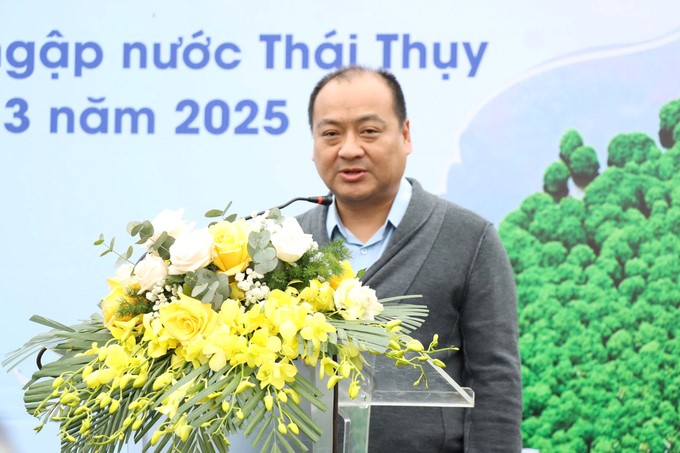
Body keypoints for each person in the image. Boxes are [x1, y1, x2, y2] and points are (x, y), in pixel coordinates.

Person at [297, 66, 523, 452]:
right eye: (331, 133)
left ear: (405, 135)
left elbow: (495, 382)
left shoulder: (470, 239)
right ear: (314, 144)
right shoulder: (288, 245)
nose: (349, 148)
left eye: (369, 131)